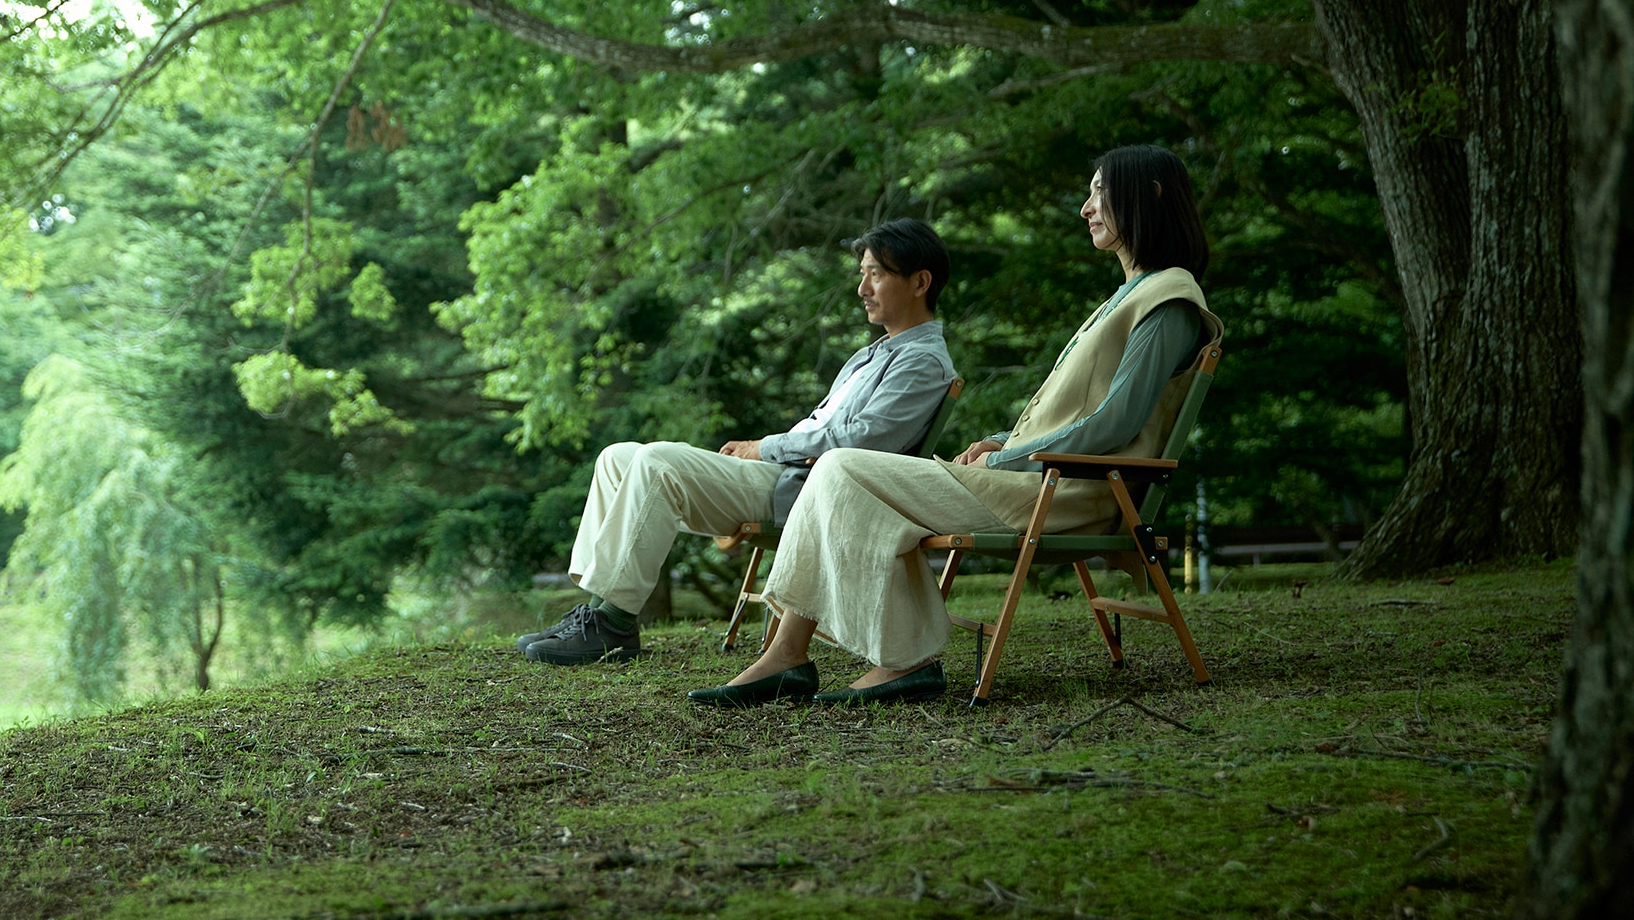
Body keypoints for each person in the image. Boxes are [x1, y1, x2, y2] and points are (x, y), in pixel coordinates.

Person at [686, 144, 1224, 707]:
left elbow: (1115, 423)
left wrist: (1006, 458)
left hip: (1066, 493)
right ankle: (811, 658)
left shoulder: (1168, 299)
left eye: (1100, 192)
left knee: (842, 466)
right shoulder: (1131, 294)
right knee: (840, 473)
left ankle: (860, 660)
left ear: (1149, 195)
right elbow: (1080, 412)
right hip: (1035, 480)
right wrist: (1003, 441)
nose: (1087, 208)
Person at [519, 218, 958, 665]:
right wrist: (763, 451)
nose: (862, 288)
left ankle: (612, 623)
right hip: (784, 471)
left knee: (656, 463)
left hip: (807, 492)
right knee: (617, 457)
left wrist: (763, 448)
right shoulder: (873, 354)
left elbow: (864, 440)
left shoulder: (921, 361)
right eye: (862, 274)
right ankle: (599, 612)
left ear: (920, 282)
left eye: (876, 274)